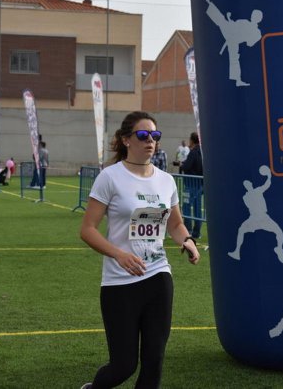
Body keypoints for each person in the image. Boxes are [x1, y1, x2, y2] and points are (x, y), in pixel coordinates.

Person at [79, 111, 200, 389]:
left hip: (158, 276)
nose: (150, 141)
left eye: (154, 136)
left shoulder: (165, 180)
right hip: (120, 283)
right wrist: (119, 254)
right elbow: (87, 230)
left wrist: (187, 241)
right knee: (123, 366)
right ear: (126, 140)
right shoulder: (110, 178)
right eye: (143, 135)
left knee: (154, 360)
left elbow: (176, 223)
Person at [180, 132, 204, 238]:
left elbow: (187, 166)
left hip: (190, 184)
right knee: (197, 209)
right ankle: (197, 233)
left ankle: (188, 231)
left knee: (186, 208)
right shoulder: (202, 152)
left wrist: (182, 165)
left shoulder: (193, 152)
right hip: (200, 184)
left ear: (192, 140)